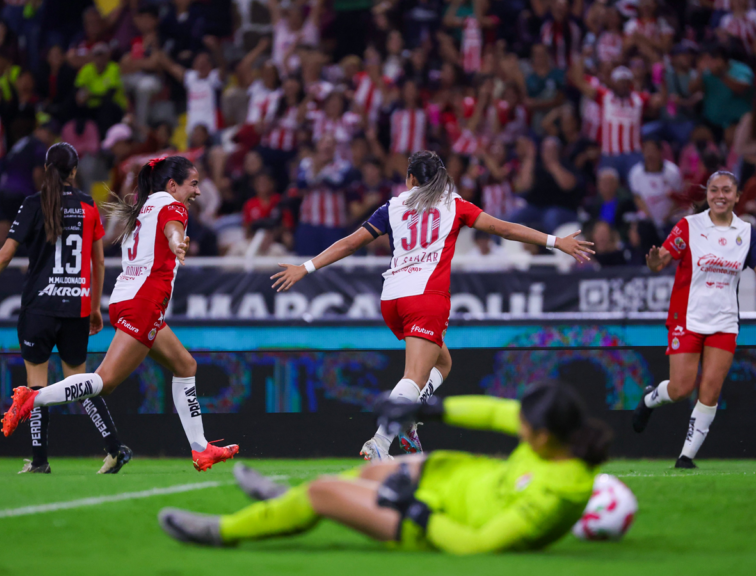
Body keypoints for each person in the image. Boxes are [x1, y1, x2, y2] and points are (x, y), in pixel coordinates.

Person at [271, 151, 594, 460]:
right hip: (426, 298)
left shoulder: (393, 206)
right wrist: (556, 242)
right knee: (414, 374)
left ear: (410, 178)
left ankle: (408, 417)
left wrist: (306, 267)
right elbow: (505, 229)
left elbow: (351, 242)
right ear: (441, 178)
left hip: (392, 299)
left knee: (442, 364)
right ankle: (381, 441)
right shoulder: (454, 205)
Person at [158, 380, 612, 554]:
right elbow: (496, 412)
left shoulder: (554, 493)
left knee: (322, 491)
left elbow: (477, 544)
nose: (517, 424)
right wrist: (431, 409)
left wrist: (416, 511)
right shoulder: (558, 436)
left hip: (435, 517)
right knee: (370, 473)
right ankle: (284, 503)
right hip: (450, 476)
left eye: (525, 425)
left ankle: (225, 531)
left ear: (545, 436)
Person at [1, 156, 239, 472]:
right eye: (193, 184)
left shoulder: (145, 205)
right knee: (106, 381)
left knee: (185, 365)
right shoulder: (173, 207)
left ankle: (200, 449)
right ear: (172, 185)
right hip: (143, 302)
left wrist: (175, 242)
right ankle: (32, 399)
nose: (197, 191)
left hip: (129, 298)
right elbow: (172, 231)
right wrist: (178, 243)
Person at [0, 143, 130, 474]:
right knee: (77, 383)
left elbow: (5, 255)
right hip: (77, 307)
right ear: (75, 171)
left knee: (36, 386)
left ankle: (39, 461)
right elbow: (98, 261)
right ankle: (114, 447)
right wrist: (95, 308)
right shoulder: (88, 205)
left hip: (39, 307)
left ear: (46, 169)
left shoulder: (32, 204)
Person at [635, 171, 755, 469]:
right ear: (708, 195)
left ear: (737, 196)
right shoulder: (689, 226)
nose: (720, 195)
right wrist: (653, 262)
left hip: (725, 320)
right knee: (680, 388)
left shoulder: (748, 233)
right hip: (687, 318)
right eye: (714, 190)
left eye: (727, 190)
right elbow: (661, 258)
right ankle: (651, 399)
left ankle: (686, 457)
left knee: (711, 389)